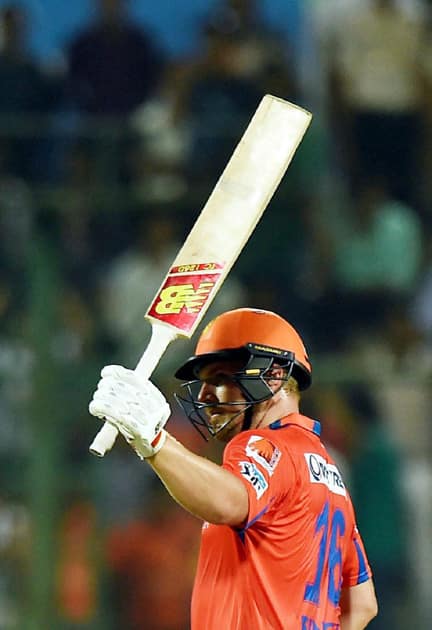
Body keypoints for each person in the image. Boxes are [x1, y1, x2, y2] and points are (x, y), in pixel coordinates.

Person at [89, 307, 378, 629]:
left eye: (221, 379)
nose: (204, 394)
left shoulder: (266, 445)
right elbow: (362, 604)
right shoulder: (328, 471)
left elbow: (229, 502)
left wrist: (153, 439)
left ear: (272, 376)